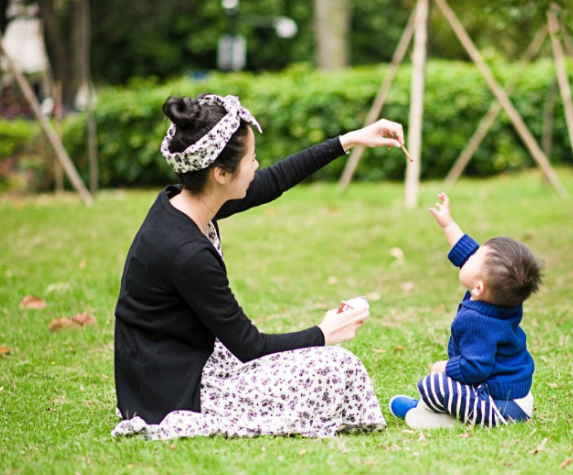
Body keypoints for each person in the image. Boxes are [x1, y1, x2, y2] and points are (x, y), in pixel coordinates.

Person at [112, 92, 404, 439]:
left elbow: (273, 182)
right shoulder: (187, 252)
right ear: (220, 173)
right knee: (336, 366)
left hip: (175, 363)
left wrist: (350, 140)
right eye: (251, 158)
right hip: (174, 391)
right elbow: (250, 345)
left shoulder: (187, 201)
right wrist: (325, 333)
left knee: (332, 366)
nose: (256, 166)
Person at [389, 192, 543, 429]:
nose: (469, 256)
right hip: (515, 395)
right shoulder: (503, 298)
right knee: (442, 385)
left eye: (474, 258)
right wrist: (448, 224)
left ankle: (441, 418)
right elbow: (467, 252)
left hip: (502, 407)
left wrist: (443, 367)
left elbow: (475, 369)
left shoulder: (478, 321)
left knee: (435, 382)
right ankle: (426, 407)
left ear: (479, 287)